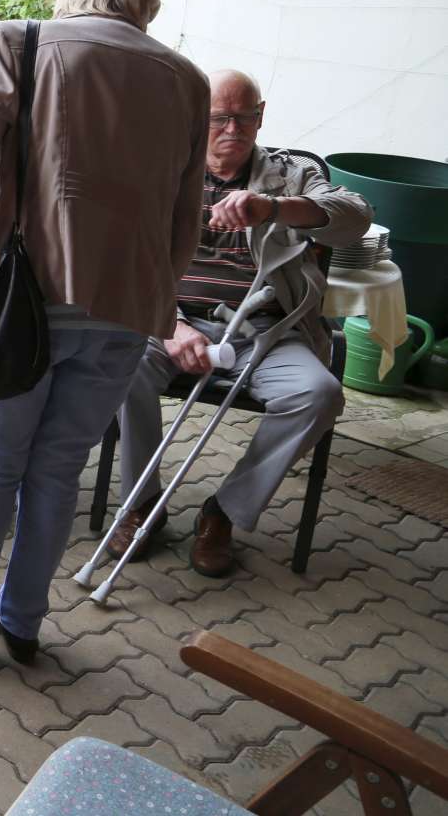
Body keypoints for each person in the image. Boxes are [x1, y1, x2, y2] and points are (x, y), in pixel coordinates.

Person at [0, 0, 210, 672]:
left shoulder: (21, 41)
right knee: (58, 468)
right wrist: (158, 291)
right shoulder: (188, 81)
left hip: (27, 293)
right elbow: (187, 210)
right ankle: (21, 621)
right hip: (127, 306)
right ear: (146, 8)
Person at [111, 70, 371, 576]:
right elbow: (126, 259)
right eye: (219, 118)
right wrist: (171, 324)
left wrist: (273, 207)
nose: (234, 128)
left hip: (265, 333)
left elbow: (356, 216)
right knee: (121, 362)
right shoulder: (162, 169)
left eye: (245, 116)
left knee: (319, 395)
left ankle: (224, 512)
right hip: (170, 322)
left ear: (261, 116)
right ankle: (142, 503)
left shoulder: (288, 175)